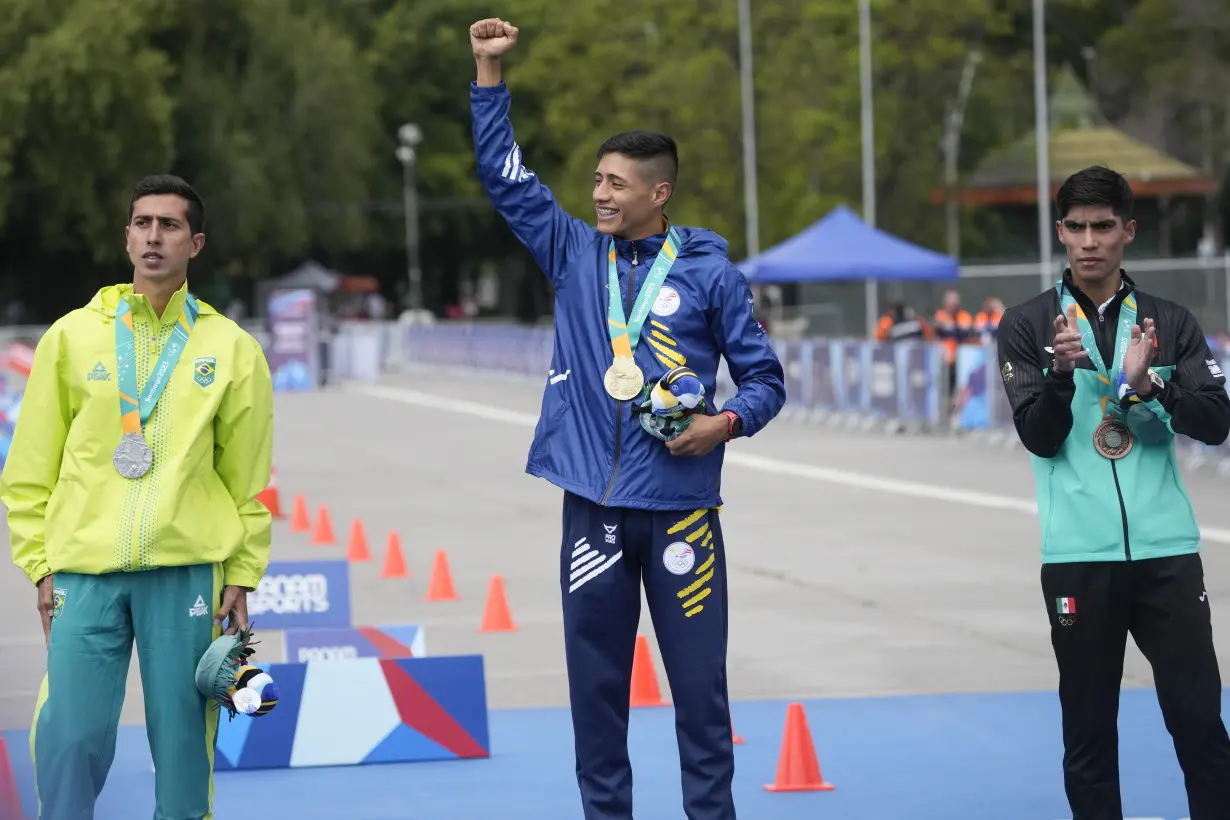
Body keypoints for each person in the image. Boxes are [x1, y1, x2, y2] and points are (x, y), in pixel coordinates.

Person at [469, 18, 786, 820]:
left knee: (700, 700)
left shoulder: (712, 275)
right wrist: (489, 77)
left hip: (683, 515)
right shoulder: (574, 254)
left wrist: (725, 424)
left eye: (616, 183)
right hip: (595, 513)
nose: (600, 194)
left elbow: (765, 380)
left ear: (659, 193)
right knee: (597, 702)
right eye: (598, 180)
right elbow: (507, 179)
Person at [1, 174, 275, 820]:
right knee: (67, 741)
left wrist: (241, 573)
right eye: (143, 223)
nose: (154, 236)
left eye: (170, 225)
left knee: (183, 756)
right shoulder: (70, 339)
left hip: (185, 575)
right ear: (126, 237)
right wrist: (39, 562)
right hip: (85, 573)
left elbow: (251, 482)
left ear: (196, 243)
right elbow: (29, 466)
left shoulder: (232, 351)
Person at [996, 164, 1230, 819]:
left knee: (1199, 725)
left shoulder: (1169, 322)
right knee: (1089, 737)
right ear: (1061, 233)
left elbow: (1215, 422)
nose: (1090, 239)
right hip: (1077, 554)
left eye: (1104, 226)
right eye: (1077, 226)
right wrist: (1063, 375)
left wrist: (1146, 386)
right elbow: (1040, 438)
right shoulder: (1028, 324)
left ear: (1128, 231)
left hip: (1166, 555)